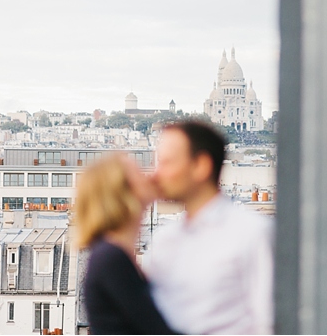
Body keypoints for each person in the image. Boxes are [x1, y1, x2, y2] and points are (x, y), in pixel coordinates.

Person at [145, 121, 274, 334]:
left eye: (166, 163)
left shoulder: (253, 233)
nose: (156, 174)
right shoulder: (162, 239)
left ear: (201, 166)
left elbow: (268, 323)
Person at [75, 155, 177, 335]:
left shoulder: (110, 254)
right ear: (124, 193)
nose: (149, 176)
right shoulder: (111, 259)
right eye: (139, 173)